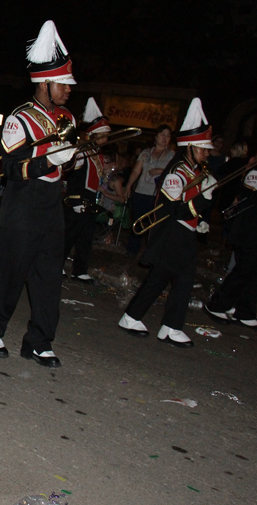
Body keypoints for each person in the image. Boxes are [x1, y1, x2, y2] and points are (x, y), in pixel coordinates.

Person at [0, 20, 78, 368]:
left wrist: (70, 160)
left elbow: (66, 167)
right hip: (24, 202)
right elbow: (11, 169)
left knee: (49, 275)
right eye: (63, 84)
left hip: (52, 204)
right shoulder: (20, 118)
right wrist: (47, 159)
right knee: (10, 269)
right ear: (45, 83)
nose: (68, 91)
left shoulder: (66, 117)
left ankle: (39, 339)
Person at [118, 99, 216, 348]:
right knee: (169, 279)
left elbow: (189, 209)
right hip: (173, 234)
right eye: (203, 148)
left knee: (171, 279)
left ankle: (158, 323)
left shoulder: (194, 172)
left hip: (184, 234)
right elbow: (175, 210)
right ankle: (155, 323)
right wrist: (203, 201)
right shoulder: (176, 173)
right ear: (191, 147)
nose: (207, 153)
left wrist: (200, 221)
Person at [62, 98, 113, 282]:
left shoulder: (98, 154)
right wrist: (75, 200)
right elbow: (73, 176)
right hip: (78, 198)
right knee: (70, 234)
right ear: (94, 134)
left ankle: (80, 269)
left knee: (86, 236)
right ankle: (57, 264)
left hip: (91, 199)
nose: (106, 138)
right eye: (103, 135)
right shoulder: (83, 150)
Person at [204, 160, 257, 327]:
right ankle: (217, 304)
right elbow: (249, 201)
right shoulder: (254, 173)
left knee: (253, 274)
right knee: (244, 270)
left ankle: (245, 310)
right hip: (248, 232)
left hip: (251, 232)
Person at [124, 124, 173, 257]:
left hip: (158, 194)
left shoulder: (171, 156)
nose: (165, 138)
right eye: (162, 134)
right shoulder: (145, 153)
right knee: (138, 221)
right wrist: (128, 185)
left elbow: (174, 173)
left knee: (155, 224)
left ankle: (151, 252)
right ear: (156, 136)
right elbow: (136, 170)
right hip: (141, 191)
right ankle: (132, 249)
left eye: (168, 136)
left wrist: (160, 171)